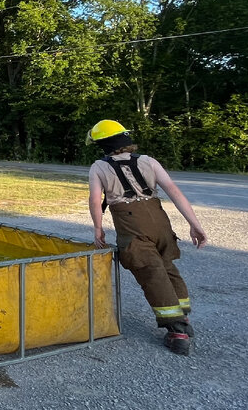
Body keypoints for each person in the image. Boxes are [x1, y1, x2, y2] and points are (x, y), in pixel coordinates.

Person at [86, 119, 209, 355]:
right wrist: (195, 225)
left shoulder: (98, 168)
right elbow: (173, 190)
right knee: (167, 267)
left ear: (102, 144)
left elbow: (95, 200)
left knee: (151, 273)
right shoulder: (148, 161)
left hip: (132, 225)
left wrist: (98, 228)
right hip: (159, 222)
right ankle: (184, 319)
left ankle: (178, 332)